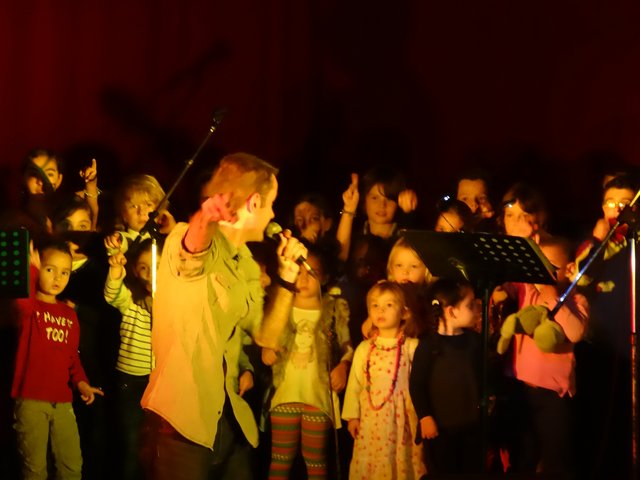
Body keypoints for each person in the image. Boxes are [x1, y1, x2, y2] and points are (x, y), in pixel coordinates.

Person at [140, 152, 309, 480]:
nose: (275, 213)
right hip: (182, 423)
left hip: (230, 420)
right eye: (272, 203)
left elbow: (266, 337)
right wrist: (205, 218)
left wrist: (287, 280)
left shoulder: (245, 262)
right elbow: (194, 251)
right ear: (255, 202)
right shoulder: (183, 237)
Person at [11, 240, 104, 480]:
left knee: (71, 464)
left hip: (63, 402)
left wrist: (81, 383)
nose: (58, 278)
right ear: (38, 267)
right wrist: (29, 270)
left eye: (65, 272)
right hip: (31, 400)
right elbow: (23, 302)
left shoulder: (69, 313)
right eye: (49, 269)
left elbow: (72, 357)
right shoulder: (30, 308)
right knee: (34, 469)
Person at [262, 245, 352, 479]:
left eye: (311, 272)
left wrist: (343, 366)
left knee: (316, 462)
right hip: (285, 395)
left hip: (318, 397)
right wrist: (267, 351)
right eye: (298, 271)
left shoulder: (333, 310)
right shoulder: (282, 306)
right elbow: (267, 338)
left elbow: (346, 347)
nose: (303, 279)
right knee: (280, 459)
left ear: (325, 277)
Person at [573, 174, 637, 478]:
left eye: (625, 203)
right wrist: (600, 242)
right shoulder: (595, 244)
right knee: (597, 425)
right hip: (598, 348)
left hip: (632, 350)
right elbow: (581, 283)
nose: (617, 209)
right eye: (611, 202)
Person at [52, 197, 121, 480]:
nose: (75, 233)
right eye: (67, 225)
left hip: (93, 365)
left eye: (83, 225)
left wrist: (77, 310)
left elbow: (109, 313)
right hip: (55, 369)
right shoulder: (48, 265)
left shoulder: (101, 268)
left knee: (92, 439)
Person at [342, 280, 426, 479]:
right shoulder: (364, 348)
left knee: (401, 463)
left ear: (404, 312)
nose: (381, 310)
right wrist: (353, 416)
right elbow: (355, 383)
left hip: (402, 419)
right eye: (375, 305)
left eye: (389, 305)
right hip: (372, 421)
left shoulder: (412, 347)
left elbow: (421, 383)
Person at [409, 278, 483, 475]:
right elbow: (417, 384)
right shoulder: (428, 346)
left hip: (471, 426)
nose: (476, 308)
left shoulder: (474, 342)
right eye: (469, 305)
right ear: (451, 311)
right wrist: (425, 416)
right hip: (441, 429)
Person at [104, 237, 160, 480]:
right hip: (131, 380)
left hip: (161, 383)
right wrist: (116, 269)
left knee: (157, 445)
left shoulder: (175, 302)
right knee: (131, 442)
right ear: (135, 271)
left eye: (155, 265)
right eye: (143, 267)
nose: (149, 273)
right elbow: (112, 294)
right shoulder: (130, 299)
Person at [336, 166, 418, 263]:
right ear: (364, 200)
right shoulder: (353, 237)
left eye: (388, 199)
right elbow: (338, 259)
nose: (382, 205)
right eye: (375, 198)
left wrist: (409, 212)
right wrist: (348, 208)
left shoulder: (404, 237)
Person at [106, 174, 175, 255]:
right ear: (123, 214)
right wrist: (115, 243)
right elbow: (122, 243)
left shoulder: (165, 238)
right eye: (133, 206)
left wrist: (173, 230)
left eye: (148, 204)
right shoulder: (125, 239)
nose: (141, 212)